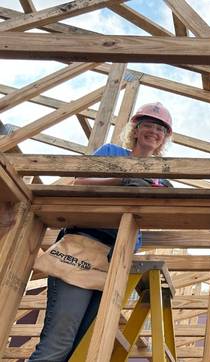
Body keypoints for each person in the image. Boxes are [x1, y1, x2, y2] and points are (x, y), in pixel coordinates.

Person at [29, 102, 174, 361]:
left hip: (117, 261)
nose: (154, 131)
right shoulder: (112, 152)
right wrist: (122, 178)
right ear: (137, 129)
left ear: (164, 138)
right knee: (58, 344)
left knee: (81, 350)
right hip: (83, 246)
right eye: (149, 125)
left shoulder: (159, 175)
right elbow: (81, 181)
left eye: (160, 129)